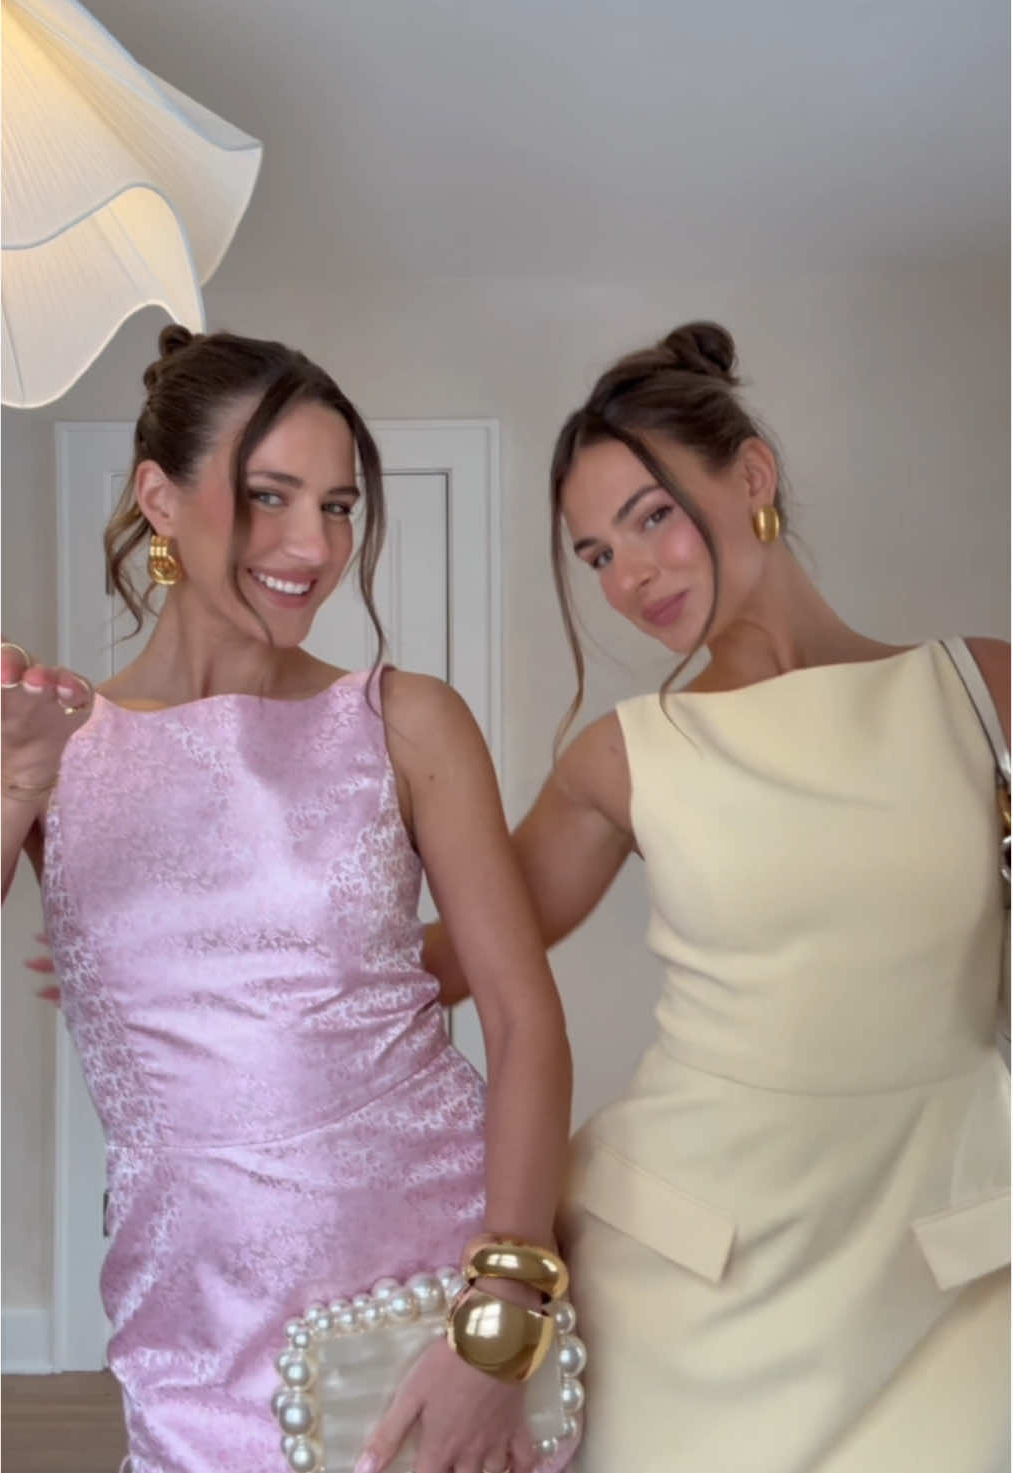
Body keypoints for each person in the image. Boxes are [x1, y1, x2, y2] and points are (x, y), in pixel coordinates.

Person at [424, 321, 1011, 1472]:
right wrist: (182, 958)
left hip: (952, 1270)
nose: (629, 576)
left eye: (650, 518)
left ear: (752, 475)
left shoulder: (979, 688)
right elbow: (454, 961)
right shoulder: (627, 755)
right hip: (693, 1280)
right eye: (595, 554)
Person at [1, 326, 576, 1473]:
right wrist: (17, 786)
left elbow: (523, 1021)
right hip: (192, 1320)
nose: (313, 546)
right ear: (159, 500)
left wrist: (502, 1316)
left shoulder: (405, 720)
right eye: (269, 497)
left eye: (339, 506)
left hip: (429, 1294)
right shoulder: (57, 741)